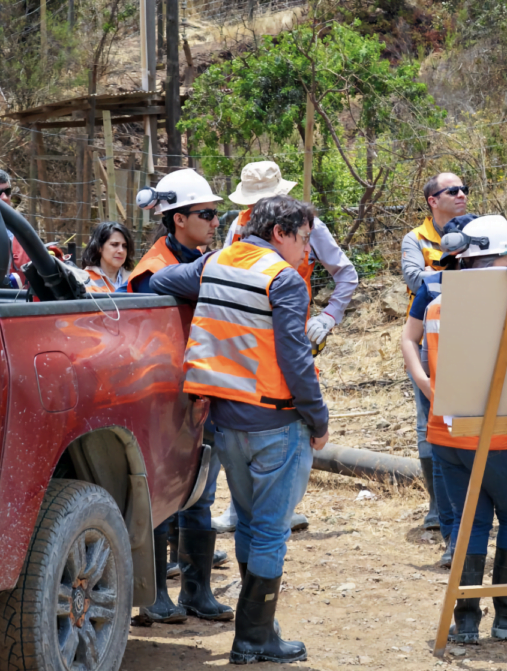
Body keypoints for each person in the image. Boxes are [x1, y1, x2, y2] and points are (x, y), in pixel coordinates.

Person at [151, 195, 329, 664]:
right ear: (280, 234)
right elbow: (294, 357)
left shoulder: (216, 263)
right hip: (276, 423)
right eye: (304, 239)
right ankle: (254, 639)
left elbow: (160, 278)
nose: (306, 252)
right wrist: (318, 417)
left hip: (227, 425)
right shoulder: (283, 279)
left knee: (249, 523)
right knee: (270, 532)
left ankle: (258, 633)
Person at [401, 214, 507, 645]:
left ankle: (465, 621)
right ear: (496, 258)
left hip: (447, 435)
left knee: (470, 525)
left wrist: (425, 385)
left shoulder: (436, 303)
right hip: (502, 436)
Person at [211, 160, 359, 535]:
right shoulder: (238, 225)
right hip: (243, 339)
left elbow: (347, 274)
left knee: (291, 415)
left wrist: (328, 317)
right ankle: (245, 508)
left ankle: (281, 505)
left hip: (291, 325)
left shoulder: (307, 226)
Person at [126, 169, 235, 626]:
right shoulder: (153, 270)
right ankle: (154, 597)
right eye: (206, 214)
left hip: (199, 393)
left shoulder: (195, 256)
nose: (214, 221)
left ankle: (197, 592)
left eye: (216, 215)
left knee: (201, 495)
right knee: (163, 494)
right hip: (164, 400)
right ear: (177, 220)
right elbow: (194, 280)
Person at [401, 172, 467, 538]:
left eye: (464, 190)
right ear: (432, 200)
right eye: (452, 191)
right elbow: (415, 280)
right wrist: (449, 266)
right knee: (430, 425)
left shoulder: (474, 229)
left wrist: (435, 271)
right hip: (429, 337)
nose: (461, 195)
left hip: (472, 334)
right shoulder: (415, 238)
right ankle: (437, 507)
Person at [80, 221, 134, 292]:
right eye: (114, 244)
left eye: (125, 246)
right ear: (99, 247)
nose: (121, 250)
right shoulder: (84, 280)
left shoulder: (134, 280)